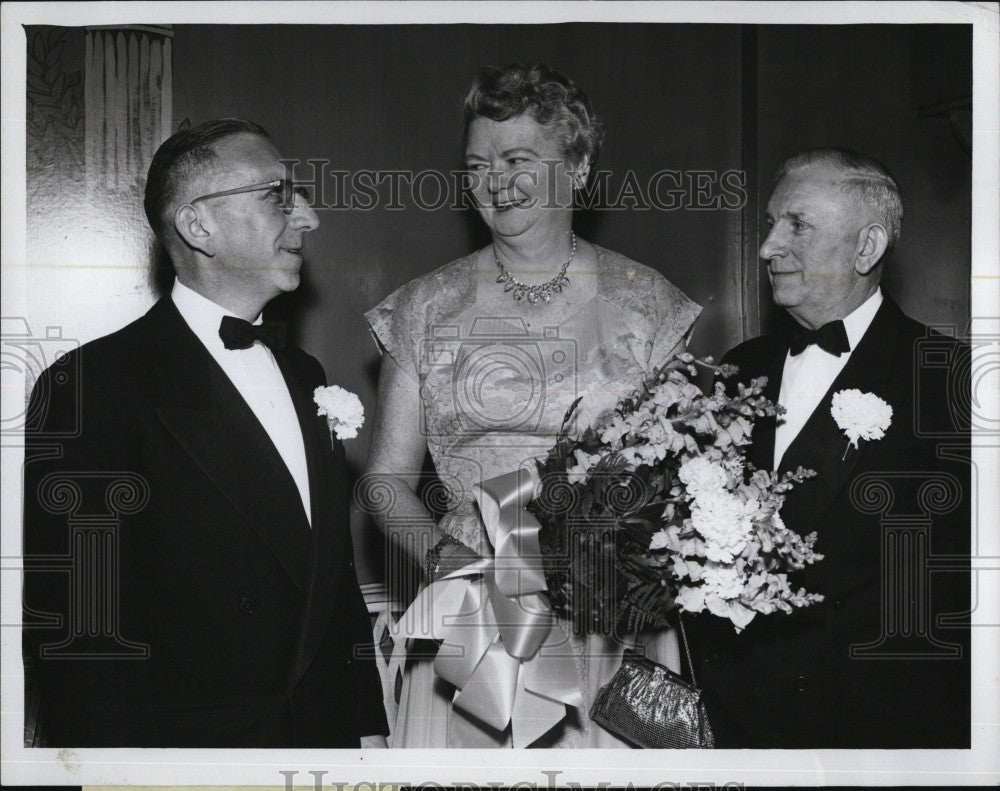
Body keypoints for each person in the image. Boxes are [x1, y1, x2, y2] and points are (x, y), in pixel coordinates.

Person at [364, 63, 701, 747]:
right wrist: (443, 556)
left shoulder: (650, 304)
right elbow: (386, 480)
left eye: (517, 158)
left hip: (613, 621)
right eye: (477, 163)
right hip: (472, 615)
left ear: (577, 166)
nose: (494, 180)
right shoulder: (423, 307)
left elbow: (693, 480)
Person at [22, 119, 388, 748]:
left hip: (324, 739)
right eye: (276, 194)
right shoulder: (89, 387)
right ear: (198, 226)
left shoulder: (306, 375)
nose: (307, 217)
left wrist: (366, 725)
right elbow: (79, 632)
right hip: (191, 755)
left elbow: (332, 577)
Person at [687, 148, 970, 748]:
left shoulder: (947, 379)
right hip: (734, 728)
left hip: (876, 735)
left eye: (798, 225)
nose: (767, 247)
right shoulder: (741, 370)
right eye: (770, 224)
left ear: (866, 249)